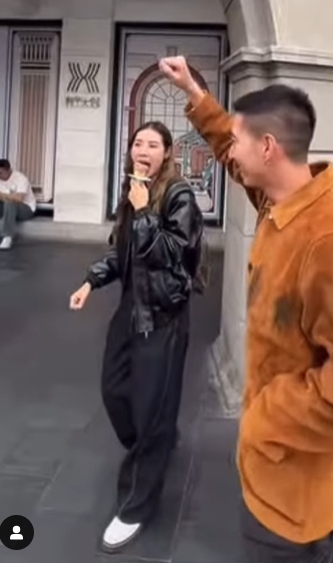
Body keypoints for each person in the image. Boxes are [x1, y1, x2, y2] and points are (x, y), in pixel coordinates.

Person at [159, 55, 333, 563]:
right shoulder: (283, 201)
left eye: (240, 141)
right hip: (287, 483)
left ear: (268, 148)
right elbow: (230, 151)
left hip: (294, 508)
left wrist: (263, 419)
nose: (231, 151)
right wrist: (196, 96)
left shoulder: (332, 245)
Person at [68, 121, 204, 552]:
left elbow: (171, 254)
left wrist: (145, 211)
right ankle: (154, 444)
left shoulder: (178, 196)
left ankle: (135, 506)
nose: (142, 150)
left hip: (164, 315)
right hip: (131, 309)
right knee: (114, 392)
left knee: (151, 410)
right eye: (137, 143)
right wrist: (91, 281)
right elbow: (121, 248)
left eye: (152, 144)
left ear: (167, 153)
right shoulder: (133, 190)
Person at [0, 158, 36, 250]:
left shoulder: (20, 179)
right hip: (6, 206)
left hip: (25, 208)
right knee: (8, 202)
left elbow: (19, 199)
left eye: (0, 173)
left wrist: (3, 196)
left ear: (8, 170)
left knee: (10, 203)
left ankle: (7, 236)